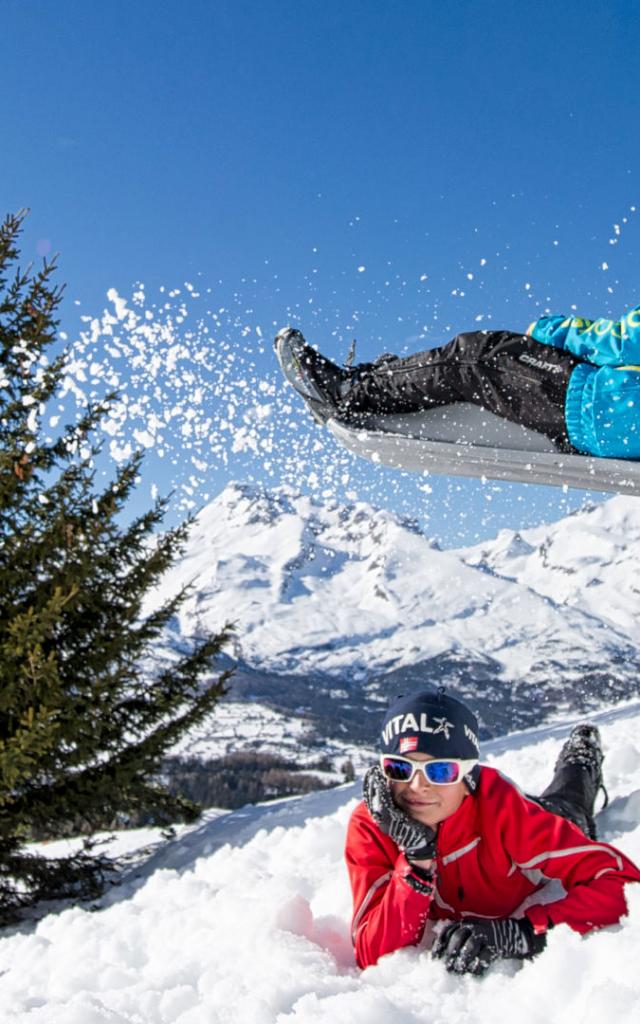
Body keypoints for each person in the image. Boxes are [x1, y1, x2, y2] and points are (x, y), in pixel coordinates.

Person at [345, 689, 640, 973]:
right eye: (400, 768)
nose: (417, 786)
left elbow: (624, 883)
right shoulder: (372, 825)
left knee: (569, 803)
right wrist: (416, 863)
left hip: (541, 818)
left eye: (440, 771)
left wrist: (524, 933)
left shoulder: (502, 812)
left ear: (468, 775)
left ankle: (581, 754)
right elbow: (373, 955)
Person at [274, 304, 640, 459]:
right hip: (624, 430)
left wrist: (549, 331)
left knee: (477, 356)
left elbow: (623, 341)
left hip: (599, 408)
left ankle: (348, 392)